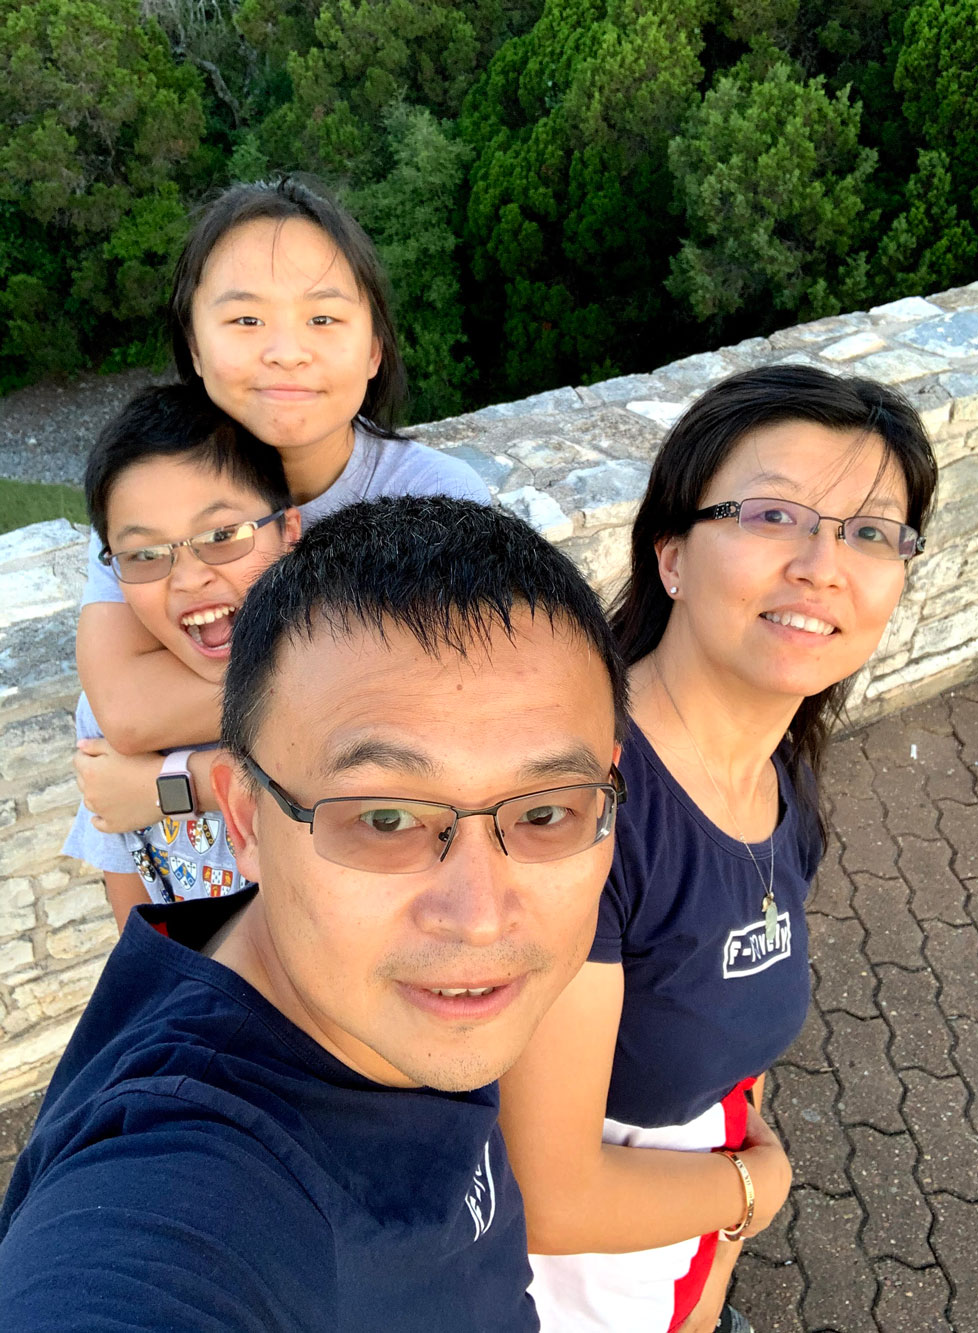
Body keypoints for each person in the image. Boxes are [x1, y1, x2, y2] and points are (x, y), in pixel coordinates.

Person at [1, 496, 627, 1331]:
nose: (479, 917)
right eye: (384, 818)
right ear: (246, 820)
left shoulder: (369, 991)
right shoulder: (178, 1181)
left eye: (545, 811)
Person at [499, 365, 938, 1333]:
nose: (823, 564)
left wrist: (715, 1255)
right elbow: (549, 1195)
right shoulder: (582, 813)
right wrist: (752, 1190)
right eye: (773, 515)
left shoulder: (782, 777)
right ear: (672, 558)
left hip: (671, 1252)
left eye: (869, 531)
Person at [72, 176, 489, 845]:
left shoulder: (436, 499)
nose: (286, 350)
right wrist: (358, 674)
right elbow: (123, 709)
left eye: (323, 319)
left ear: (375, 348)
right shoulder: (152, 496)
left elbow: (440, 700)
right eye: (245, 320)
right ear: (196, 348)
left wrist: (181, 782)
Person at [63, 384, 301, 928]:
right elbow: (141, 932)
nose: (190, 577)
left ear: (290, 531)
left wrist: (171, 785)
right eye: (145, 554)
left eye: (222, 535)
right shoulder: (104, 719)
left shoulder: (349, 699)